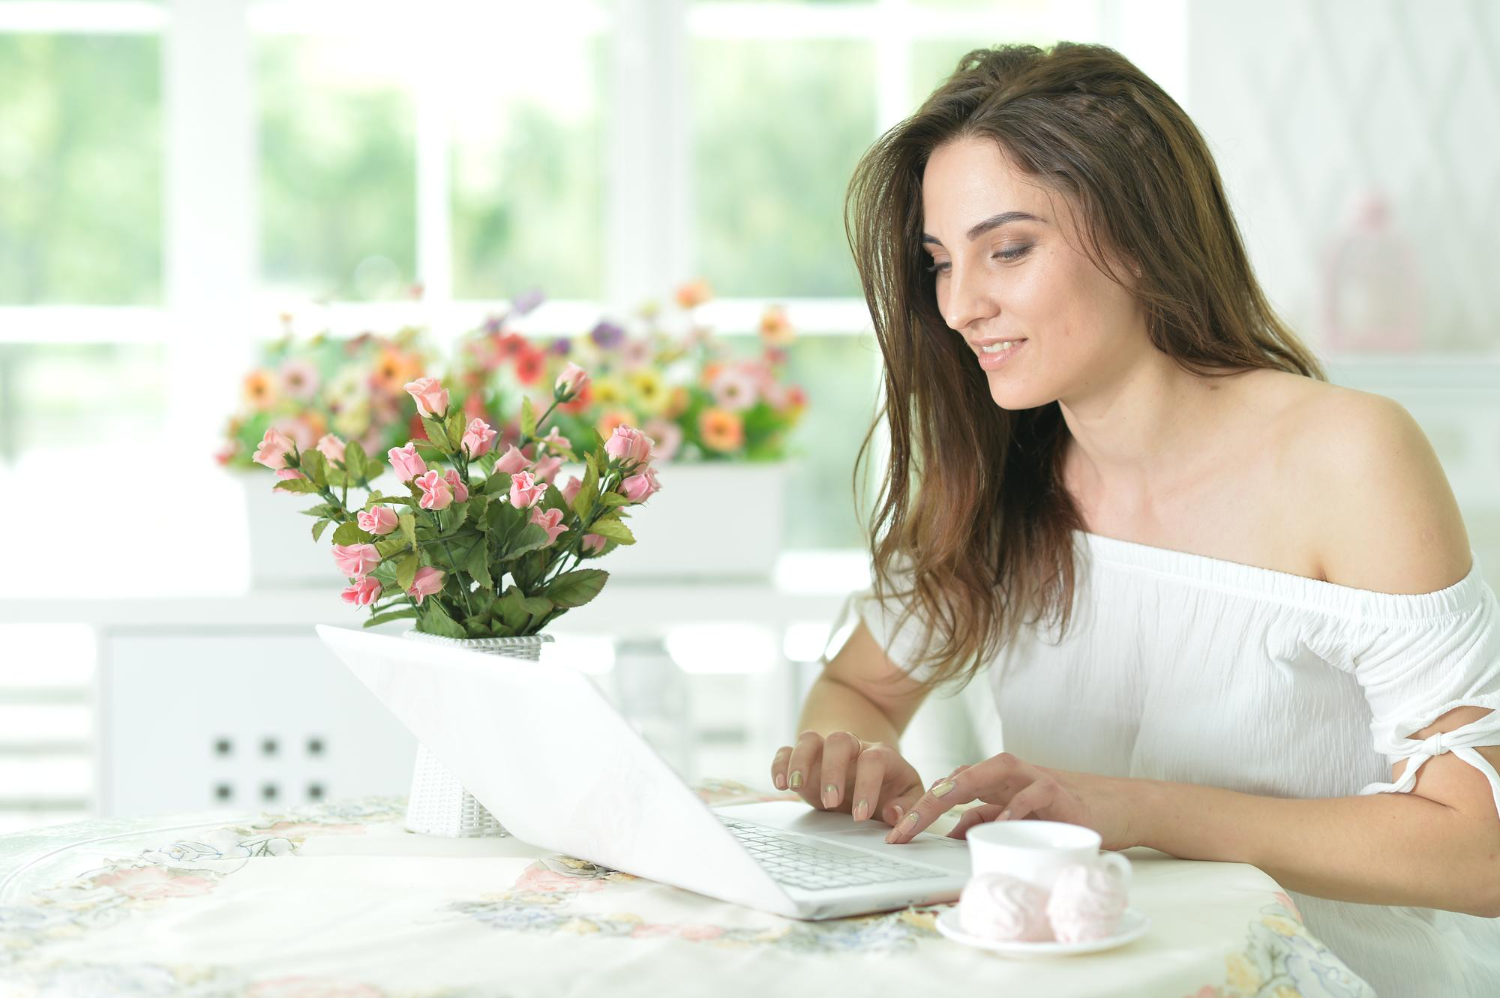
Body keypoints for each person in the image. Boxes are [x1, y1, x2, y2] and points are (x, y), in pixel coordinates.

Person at [769, 42, 1500, 997]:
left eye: (1010, 249)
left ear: (1141, 235)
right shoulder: (1000, 471)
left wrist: (1133, 809)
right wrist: (859, 764)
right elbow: (859, 693)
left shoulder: (1348, 457)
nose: (959, 305)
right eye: (941, 262)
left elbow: (1476, 852)